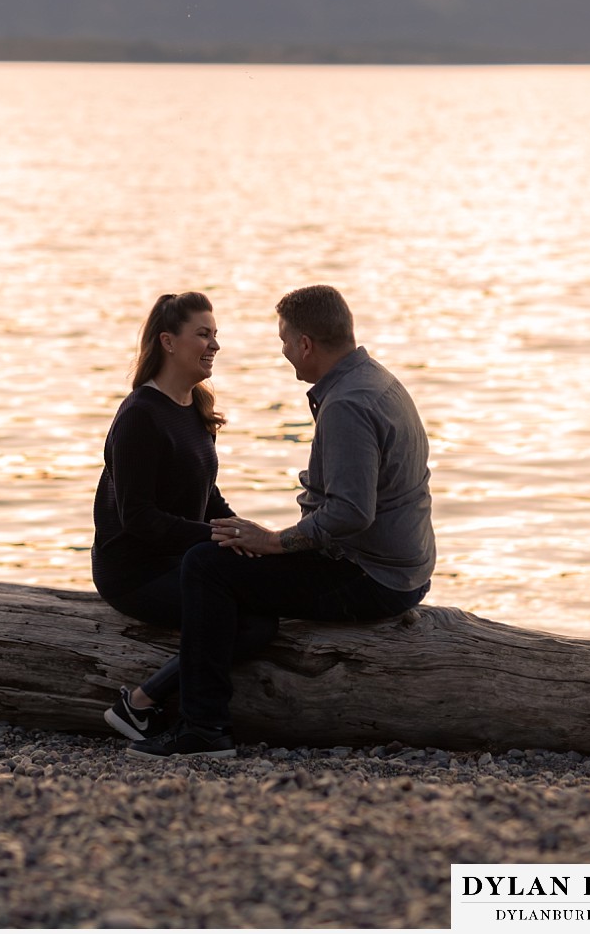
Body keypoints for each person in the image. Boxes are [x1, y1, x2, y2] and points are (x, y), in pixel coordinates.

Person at [128, 284, 436, 760]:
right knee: (231, 557)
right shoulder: (375, 381)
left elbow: (352, 514)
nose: (286, 352)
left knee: (207, 566)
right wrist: (272, 541)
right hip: (398, 567)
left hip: (371, 577)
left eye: (285, 342)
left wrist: (275, 543)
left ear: (307, 344)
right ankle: (159, 701)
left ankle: (203, 729)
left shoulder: (347, 405)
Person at [93, 291, 276, 742]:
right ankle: (139, 703)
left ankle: (142, 704)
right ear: (168, 342)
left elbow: (206, 493)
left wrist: (243, 535)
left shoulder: (193, 406)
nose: (214, 345)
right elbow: (138, 519)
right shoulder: (140, 416)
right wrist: (215, 541)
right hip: (135, 571)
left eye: (215, 336)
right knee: (250, 622)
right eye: (203, 335)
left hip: (183, 560)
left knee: (267, 600)